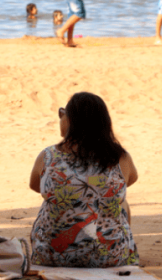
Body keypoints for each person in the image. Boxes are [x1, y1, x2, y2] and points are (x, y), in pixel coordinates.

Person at [29, 92, 139, 268]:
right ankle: (123, 250)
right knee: (121, 203)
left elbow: (35, 185)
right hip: (110, 257)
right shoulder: (120, 157)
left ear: (71, 121)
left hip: (51, 255)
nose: (61, 118)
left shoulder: (48, 156)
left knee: (52, 201)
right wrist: (97, 186)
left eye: (63, 113)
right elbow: (129, 180)